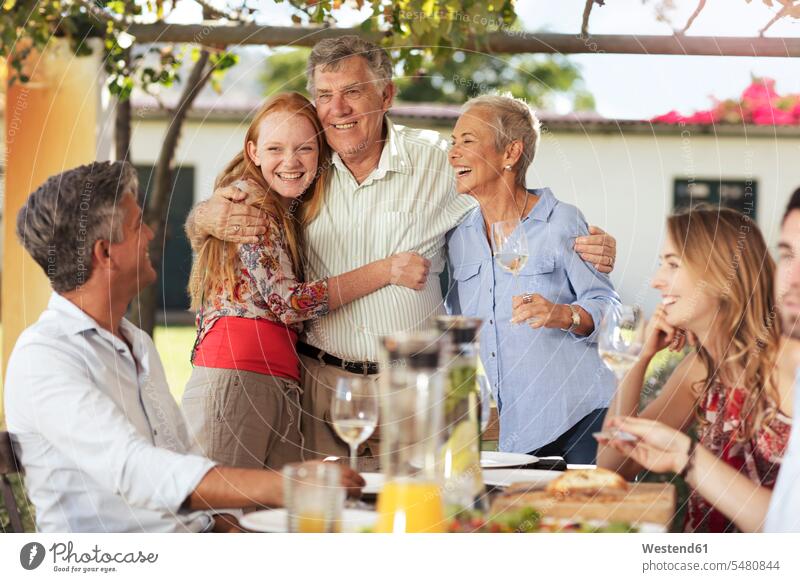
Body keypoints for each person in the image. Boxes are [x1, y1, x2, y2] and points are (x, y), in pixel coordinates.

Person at [185, 36, 619, 461]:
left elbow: (507, 191)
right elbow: (249, 194)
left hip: (421, 385)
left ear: (387, 94)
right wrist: (203, 217)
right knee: (330, 524)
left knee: (431, 521)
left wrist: (581, 240)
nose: (338, 109)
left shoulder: (438, 161)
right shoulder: (304, 167)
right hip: (322, 386)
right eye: (325, 95)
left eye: (353, 92)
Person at [4, 161, 363, 533]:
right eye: (136, 225)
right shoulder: (45, 357)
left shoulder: (135, 344)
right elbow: (135, 469)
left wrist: (227, 527)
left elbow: (181, 456)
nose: (149, 233)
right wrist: (292, 484)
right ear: (105, 253)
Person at [183, 92, 429, 470]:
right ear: (254, 152)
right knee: (222, 518)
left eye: (304, 149)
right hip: (238, 377)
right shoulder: (248, 201)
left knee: (269, 521)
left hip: (275, 379)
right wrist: (386, 270)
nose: (291, 161)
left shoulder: (288, 207)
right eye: (275, 148)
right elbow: (289, 303)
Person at [445, 94, 619, 464]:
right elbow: (458, 328)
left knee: (593, 519)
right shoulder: (459, 238)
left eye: (468, 141)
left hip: (583, 417)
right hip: (519, 431)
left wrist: (565, 315)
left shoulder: (563, 221)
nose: (453, 152)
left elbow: (610, 307)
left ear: (510, 154)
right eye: (453, 142)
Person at [597, 205, 793, 533]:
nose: (657, 281)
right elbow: (612, 465)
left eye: (673, 264)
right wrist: (640, 358)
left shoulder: (784, 364)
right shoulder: (700, 368)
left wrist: (685, 456)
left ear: (720, 274)